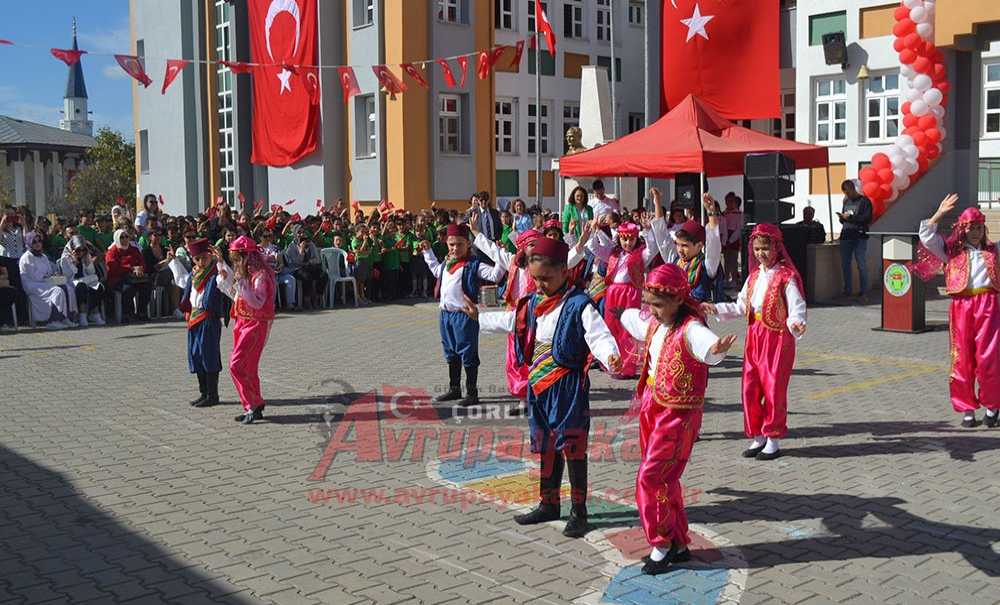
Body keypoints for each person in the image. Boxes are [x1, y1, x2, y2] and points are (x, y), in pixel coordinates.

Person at [471, 237, 621, 538]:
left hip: (567, 387)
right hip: (539, 385)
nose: (540, 285)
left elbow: (599, 335)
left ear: (564, 272)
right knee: (546, 445)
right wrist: (480, 317)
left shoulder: (579, 304)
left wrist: (610, 356)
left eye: (546, 279)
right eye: (536, 278)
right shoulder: (533, 303)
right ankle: (548, 503)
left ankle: (579, 512)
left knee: (573, 446)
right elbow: (512, 321)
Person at [620, 264, 735, 575]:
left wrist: (715, 350)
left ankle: (661, 543)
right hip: (652, 404)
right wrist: (618, 310)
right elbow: (634, 320)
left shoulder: (690, 328)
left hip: (677, 414)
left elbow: (706, 345)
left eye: (658, 305)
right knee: (664, 478)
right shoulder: (656, 323)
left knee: (651, 476)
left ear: (678, 300)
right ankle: (679, 541)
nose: (652, 311)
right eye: (649, 304)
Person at [703, 224, 807, 460]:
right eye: (757, 249)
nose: (761, 253)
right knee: (750, 387)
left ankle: (773, 438)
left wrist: (796, 323)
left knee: (773, 387)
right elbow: (741, 306)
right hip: (754, 334)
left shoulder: (786, 277)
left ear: (776, 248)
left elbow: (796, 307)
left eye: (765, 248)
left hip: (777, 338)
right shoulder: (753, 277)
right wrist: (717, 308)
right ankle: (757, 435)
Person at [914, 194, 1000, 428]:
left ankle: (993, 406)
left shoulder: (994, 250)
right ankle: (967, 409)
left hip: (988, 305)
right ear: (962, 228)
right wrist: (939, 213)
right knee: (961, 358)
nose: (976, 232)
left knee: (990, 357)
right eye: (971, 227)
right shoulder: (950, 251)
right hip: (961, 306)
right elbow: (926, 237)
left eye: (979, 227)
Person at [420, 223, 507, 407]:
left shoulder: (473, 264)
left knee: (468, 353)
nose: (455, 248)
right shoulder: (447, 263)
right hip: (445, 315)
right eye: (451, 244)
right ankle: (454, 389)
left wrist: (500, 256)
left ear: (468, 244)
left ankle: (472, 393)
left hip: (465, 316)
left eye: (459, 244)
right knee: (450, 351)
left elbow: (495, 275)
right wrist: (428, 252)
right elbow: (435, 270)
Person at [471, 217, 541, 407]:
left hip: (535, 316)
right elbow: (493, 250)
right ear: (522, 247)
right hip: (514, 315)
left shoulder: (544, 266)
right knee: (515, 357)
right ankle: (523, 397)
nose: (535, 249)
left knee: (533, 356)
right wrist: (476, 232)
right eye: (531, 245)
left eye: (537, 245)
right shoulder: (512, 262)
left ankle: (536, 394)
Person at [584, 219, 658, 377]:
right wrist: (594, 231)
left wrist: (647, 231)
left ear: (636, 239)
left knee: (628, 329)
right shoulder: (613, 254)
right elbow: (594, 248)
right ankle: (613, 362)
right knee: (612, 327)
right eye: (624, 239)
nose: (627, 243)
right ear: (619, 238)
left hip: (630, 294)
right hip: (613, 293)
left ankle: (628, 365)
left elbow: (653, 248)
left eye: (631, 239)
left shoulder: (641, 255)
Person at [216, 236, 276, 425]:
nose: (235, 264)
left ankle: (251, 404)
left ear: (246, 257)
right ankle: (255, 405)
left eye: (237, 259)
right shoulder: (247, 274)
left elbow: (257, 302)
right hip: (242, 323)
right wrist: (224, 270)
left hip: (256, 325)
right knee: (248, 367)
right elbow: (236, 296)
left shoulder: (260, 276)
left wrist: (241, 282)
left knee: (237, 365)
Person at [171, 238, 225, 409]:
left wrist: (221, 262)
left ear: (210, 256)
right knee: (196, 355)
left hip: (209, 318)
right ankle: (203, 392)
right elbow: (181, 281)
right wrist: (174, 261)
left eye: (205, 257)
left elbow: (225, 280)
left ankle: (213, 395)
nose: (201, 261)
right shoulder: (194, 274)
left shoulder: (215, 273)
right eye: (197, 259)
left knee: (209, 355)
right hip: (194, 318)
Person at [649, 191, 725, 302]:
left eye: (685, 246)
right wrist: (657, 202)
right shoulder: (675, 261)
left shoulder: (707, 266)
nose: (680, 250)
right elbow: (662, 237)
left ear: (699, 245)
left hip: (697, 311)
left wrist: (711, 212)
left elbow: (713, 243)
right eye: (678, 245)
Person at [20, 231, 74, 329]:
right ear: (29, 243)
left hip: (44, 282)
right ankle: (53, 320)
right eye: (34, 242)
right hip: (33, 285)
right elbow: (34, 276)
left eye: (39, 241)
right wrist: (47, 277)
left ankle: (65, 317)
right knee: (57, 291)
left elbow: (49, 271)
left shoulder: (43, 256)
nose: (37, 244)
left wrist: (54, 275)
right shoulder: (27, 257)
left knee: (67, 287)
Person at [105, 229, 152, 323]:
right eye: (121, 237)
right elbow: (113, 268)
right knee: (129, 288)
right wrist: (131, 269)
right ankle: (127, 313)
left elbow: (142, 262)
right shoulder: (112, 251)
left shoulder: (133, 249)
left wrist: (140, 268)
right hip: (117, 279)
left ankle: (141, 312)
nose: (125, 239)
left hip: (134, 277)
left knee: (147, 285)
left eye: (126, 237)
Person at [59, 235, 106, 327]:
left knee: (98, 286)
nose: (81, 252)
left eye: (83, 250)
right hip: (72, 282)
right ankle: (82, 315)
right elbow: (68, 275)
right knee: (82, 287)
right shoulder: (65, 258)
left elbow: (91, 272)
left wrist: (88, 263)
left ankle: (95, 313)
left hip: (85, 280)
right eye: (78, 250)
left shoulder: (86, 255)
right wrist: (74, 263)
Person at [838, 180, 873, 300]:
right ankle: (847, 290)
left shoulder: (864, 201)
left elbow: (867, 218)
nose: (847, 195)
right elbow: (843, 221)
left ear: (853, 189)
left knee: (861, 264)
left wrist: (851, 217)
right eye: (845, 193)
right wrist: (842, 218)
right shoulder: (846, 201)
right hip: (846, 235)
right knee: (845, 264)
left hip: (859, 236)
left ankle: (864, 292)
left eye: (848, 192)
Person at [722, 194, 744, 286]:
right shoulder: (724, 213)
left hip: (733, 239)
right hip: (725, 238)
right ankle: (726, 278)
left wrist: (731, 240)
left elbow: (739, 229)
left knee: (733, 260)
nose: (729, 203)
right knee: (726, 260)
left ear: (735, 203)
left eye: (731, 201)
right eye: (727, 201)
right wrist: (724, 239)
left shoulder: (739, 214)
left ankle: (734, 279)